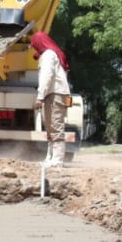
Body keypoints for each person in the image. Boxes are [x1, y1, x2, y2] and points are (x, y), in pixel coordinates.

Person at [33, 32, 71, 165]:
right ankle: (50, 157)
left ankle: (57, 159)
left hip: (55, 94)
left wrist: (40, 96)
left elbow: (46, 76)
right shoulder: (51, 54)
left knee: (55, 126)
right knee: (50, 128)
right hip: (53, 94)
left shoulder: (48, 55)